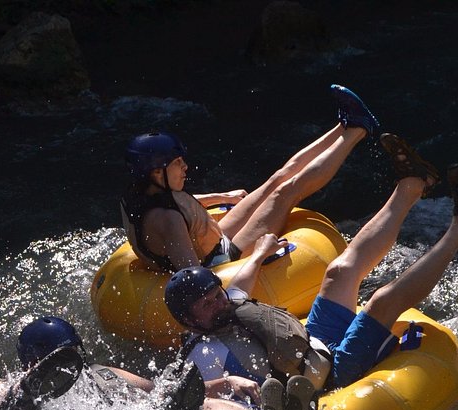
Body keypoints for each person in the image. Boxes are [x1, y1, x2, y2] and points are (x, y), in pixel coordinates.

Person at [164, 133, 458, 410]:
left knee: (339, 272)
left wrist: (260, 254)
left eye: (216, 294)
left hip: (315, 341)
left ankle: (412, 185)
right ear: (188, 320)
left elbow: (239, 284)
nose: (217, 303)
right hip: (329, 379)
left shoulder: (225, 305)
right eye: (206, 305)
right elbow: (202, 401)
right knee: (382, 301)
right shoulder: (202, 358)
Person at [120, 85, 380, 273]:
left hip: (215, 240)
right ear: (157, 172)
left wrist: (223, 197)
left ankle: (344, 125)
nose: (185, 166)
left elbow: (178, 202)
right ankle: (358, 132)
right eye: (177, 163)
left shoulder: (143, 193)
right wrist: (258, 256)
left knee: (277, 178)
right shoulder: (168, 221)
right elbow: (193, 278)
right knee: (286, 191)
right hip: (224, 260)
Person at [16, 315, 258, 410]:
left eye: (73, 354)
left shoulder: (101, 373)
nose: (70, 366)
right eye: (62, 360)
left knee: (217, 408)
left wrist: (225, 383)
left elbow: (160, 392)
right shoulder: (42, 407)